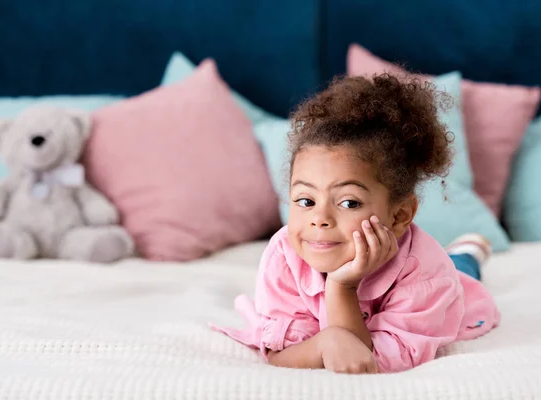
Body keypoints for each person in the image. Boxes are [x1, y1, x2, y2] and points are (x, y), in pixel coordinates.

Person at [212, 73, 500, 374]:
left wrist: (341, 286)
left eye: (349, 203)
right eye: (306, 201)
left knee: (462, 271)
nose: (320, 219)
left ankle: (468, 252)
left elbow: (366, 363)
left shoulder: (427, 274)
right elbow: (280, 352)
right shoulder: (284, 255)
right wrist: (325, 343)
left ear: (399, 216)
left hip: (450, 286)